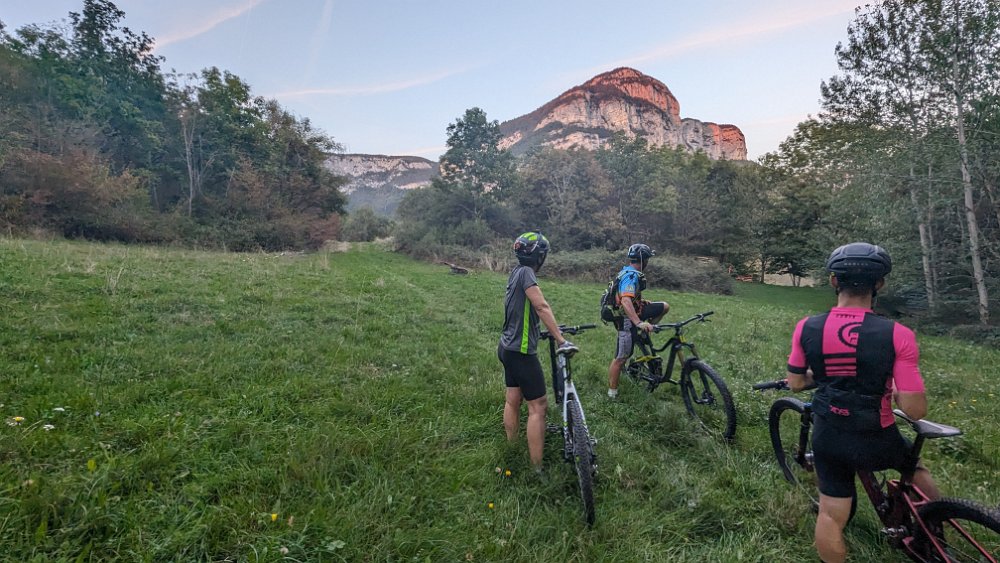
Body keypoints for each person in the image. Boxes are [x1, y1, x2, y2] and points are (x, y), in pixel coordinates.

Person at [785, 242, 939, 563]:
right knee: (914, 466)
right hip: (877, 437)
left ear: (833, 281)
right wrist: (895, 389)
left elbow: (796, 383)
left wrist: (822, 376)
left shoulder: (806, 327)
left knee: (830, 516)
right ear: (879, 284)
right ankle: (937, 524)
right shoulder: (898, 334)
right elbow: (915, 410)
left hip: (829, 434)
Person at [498, 231, 577, 473]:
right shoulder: (527, 273)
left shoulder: (516, 271)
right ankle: (537, 468)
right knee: (539, 406)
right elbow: (540, 306)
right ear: (540, 257)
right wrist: (561, 340)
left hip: (506, 347)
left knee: (513, 399)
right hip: (521, 352)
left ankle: (512, 447)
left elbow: (522, 309)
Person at [607, 243, 670, 398]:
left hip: (635, 311)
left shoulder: (628, 271)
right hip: (625, 319)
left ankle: (643, 332)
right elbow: (625, 301)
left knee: (664, 306)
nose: (648, 262)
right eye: (648, 259)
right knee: (621, 358)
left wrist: (640, 302)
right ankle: (612, 394)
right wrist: (638, 322)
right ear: (644, 260)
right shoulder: (631, 276)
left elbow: (629, 296)